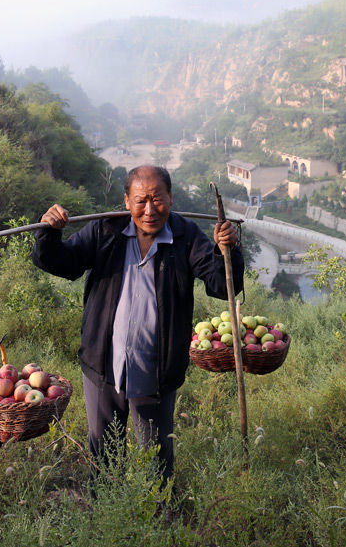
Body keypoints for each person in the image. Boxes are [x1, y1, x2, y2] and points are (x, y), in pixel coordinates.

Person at [31, 165, 242, 483]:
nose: (149, 209)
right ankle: (107, 519)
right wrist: (49, 232)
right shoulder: (105, 231)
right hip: (104, 366)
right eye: (140, 200)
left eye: (158, 199)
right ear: (127, 201)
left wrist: (226, 250)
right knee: (104, 455)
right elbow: (62, 262)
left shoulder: (185, 236)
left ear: (170, 198)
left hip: (156, 371)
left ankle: (160, 516)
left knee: (157, 457)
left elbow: (220, 284)